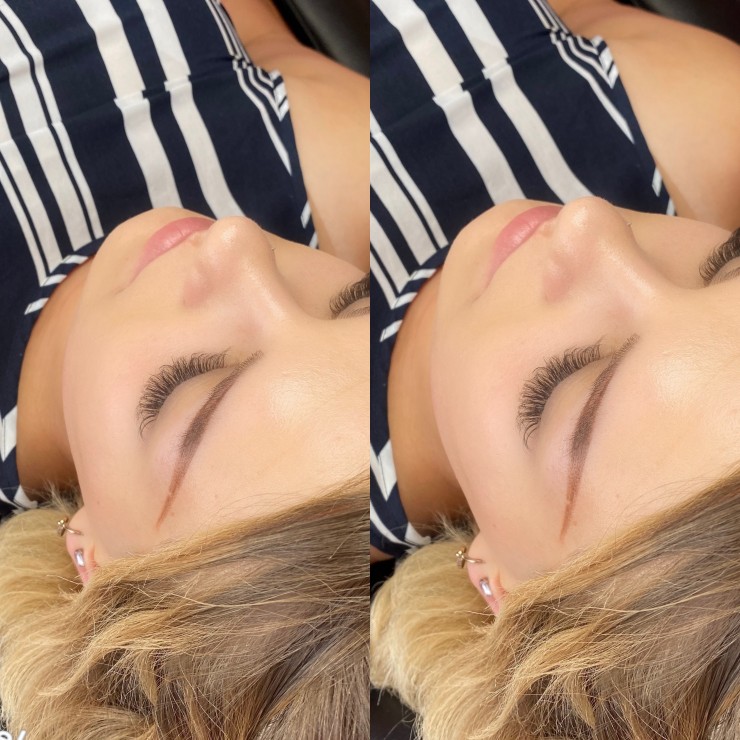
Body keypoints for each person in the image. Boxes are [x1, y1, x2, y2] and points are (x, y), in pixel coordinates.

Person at [369, 0, 740, 737]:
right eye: (722, 266)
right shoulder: (703, 126)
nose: (590, 221)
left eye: (570, 390)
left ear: (499, 592)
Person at [0, 1, 369, 737]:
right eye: (348, 305)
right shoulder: (326, 179)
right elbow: (252, 37)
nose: (237, 242)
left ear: (91, 563)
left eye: (190, 388)